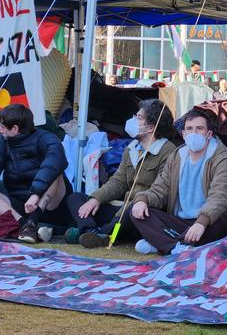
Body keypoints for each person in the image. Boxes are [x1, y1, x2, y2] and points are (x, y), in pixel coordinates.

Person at [66, 99, 176, 248]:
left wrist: (138, 203)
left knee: (129, 212)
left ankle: (104, 234)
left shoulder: (168, 151)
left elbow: (161, 190)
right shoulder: (131, 149)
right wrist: (96, 199)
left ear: (150, 127)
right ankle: (89, 231)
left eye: (139, 118)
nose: (133, 120)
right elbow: (118, 182)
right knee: (76, 198)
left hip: (143, 212)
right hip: (122, 209)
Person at [130, 109, 227, 254]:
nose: (193, 133)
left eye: (199, 128)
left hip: (209, 221)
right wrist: (142, 199)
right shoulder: (176, 156)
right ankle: (176, 246)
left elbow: (220, 196)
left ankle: (161, 243)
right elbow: (160, 188)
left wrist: (201, 222)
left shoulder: (222, 159)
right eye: (189, 129)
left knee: (218, 228)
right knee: (137, 211)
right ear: (183, 134)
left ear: (209, 134)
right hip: (180, 221)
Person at [0, 104, 71, 244]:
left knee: (56, 173)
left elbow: (53, 164)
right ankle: (24, 226)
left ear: (15, 128)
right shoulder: (3, 142)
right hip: (20, 202)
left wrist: (35, 194)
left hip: (50, 204)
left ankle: (33, 221)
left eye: (2, 126)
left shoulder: (47, 139)